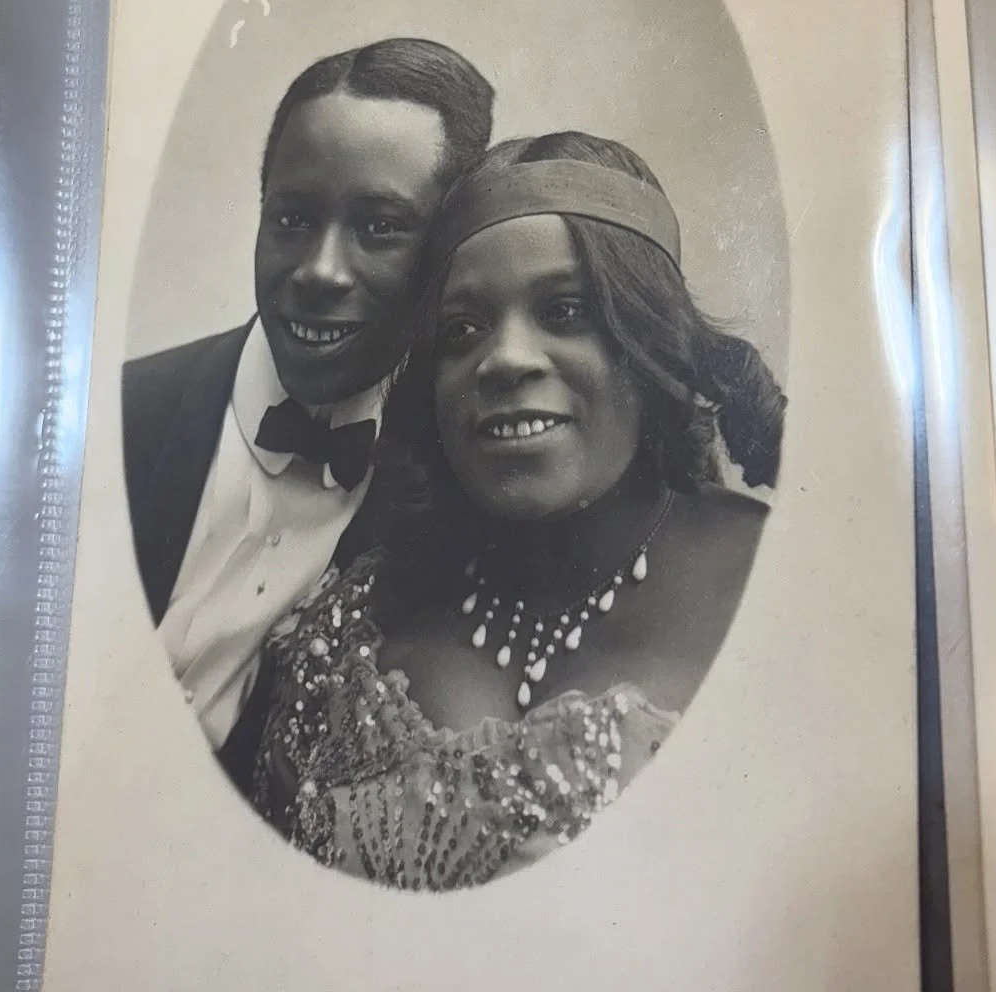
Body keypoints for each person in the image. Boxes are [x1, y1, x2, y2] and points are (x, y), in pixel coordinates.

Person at [246, 131, 786, 888]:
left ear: (649, 344)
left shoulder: (785, 591)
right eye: (461, 331)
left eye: (566, 312)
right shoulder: (344, 634)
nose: (504, 359)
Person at [122, 38, 494, 778]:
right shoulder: (122, 415)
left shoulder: (447, 499)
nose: (321, 271)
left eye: (380, 228)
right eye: (292, 219)